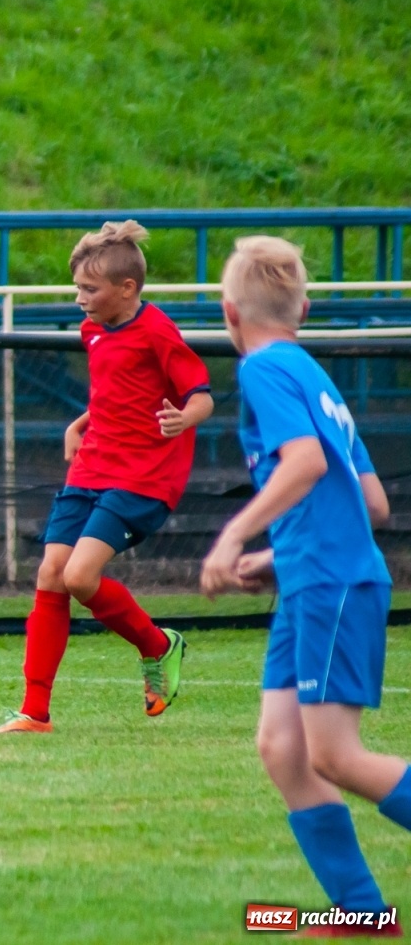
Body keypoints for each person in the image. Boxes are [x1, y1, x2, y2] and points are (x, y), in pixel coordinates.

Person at [202, 236, 409, 937]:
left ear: (229, 313)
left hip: (331, 583)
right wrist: (273, 557)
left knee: (334, 755)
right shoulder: (311, 371)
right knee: (283, 750)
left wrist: (234, 536)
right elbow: (373, 501)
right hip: (312, 577)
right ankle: (363, 915)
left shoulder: (264, 370)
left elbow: (306, 465)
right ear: (305, 307)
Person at [0, 220, 212, 734]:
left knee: (78, 577)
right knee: (51, 574)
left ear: (127, 289)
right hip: (93, 463)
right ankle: (35, 712)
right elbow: (113, 393)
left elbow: (201, 394)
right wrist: (81, 422)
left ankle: (158, 647)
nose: (80, 298)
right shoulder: (92, 329)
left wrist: (185, 418)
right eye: (77, 288)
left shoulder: (158, 330)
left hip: (143, 475)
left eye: (89, 289)